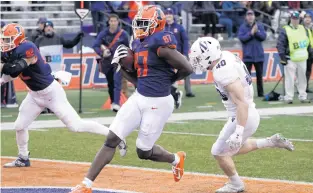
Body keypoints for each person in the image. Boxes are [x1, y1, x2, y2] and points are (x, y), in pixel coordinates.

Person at [69, 5, 193, 193]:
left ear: (156, 25)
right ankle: (86, 185)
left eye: (144, 24)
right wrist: (123, 68)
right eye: (138, 23)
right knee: (111, 138)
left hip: (158, 103)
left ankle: (176, 159)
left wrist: (169, 80)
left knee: (143, 152)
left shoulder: (160, 44)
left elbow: (187, 68)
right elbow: (139, 80)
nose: (139, 27)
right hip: (140, 96)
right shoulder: (137, 43)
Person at [0, 23, 127, 168]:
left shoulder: (27, 48)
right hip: (34, 95)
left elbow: (15, 70)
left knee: (76, 126)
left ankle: (116, 137)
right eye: (3, 39)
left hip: (51, 93)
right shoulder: (9, 51)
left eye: (7, 39)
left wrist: (2, 68)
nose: (4, 43)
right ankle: (23, 158)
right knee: (19, 125)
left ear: (18, 39)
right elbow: (9, 74)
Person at [189, 37, 294, 193]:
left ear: (209, 55)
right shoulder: (224, 56)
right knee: (232, 149)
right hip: (248, 112)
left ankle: (236, 184)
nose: (196, 61)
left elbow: (241, 103)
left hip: (242, 114)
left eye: (198, 58)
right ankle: (271, 142)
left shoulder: (222, 70)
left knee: (218, 152)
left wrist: (238, 131)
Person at [35, 20, 84, 114]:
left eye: (50, 27)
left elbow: (69, 44)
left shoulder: (59, 38)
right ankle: (43, 107)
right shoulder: (39, 40)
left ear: (53, 28)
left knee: (55, 90)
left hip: (56, 70)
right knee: (43, 90)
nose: (48, 28)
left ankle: (53, 107)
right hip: (44, 70)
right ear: (44, 29)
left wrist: (78, 37)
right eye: (46, 27)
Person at [93, 14, 129, 112]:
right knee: (110, 83)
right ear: (108, 22)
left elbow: (129, 47)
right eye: (111, 21)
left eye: (115, 21)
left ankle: (116, 104)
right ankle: (113, 102)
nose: (113, 23)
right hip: (107, 61)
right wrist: (102, 52)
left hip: (118, 61)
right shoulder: (103, 33)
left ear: (118, 22)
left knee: (117, 82)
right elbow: (95, 45)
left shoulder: (123, 34)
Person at [277, 11, 313, 104]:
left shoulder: (304, 29)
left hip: (302, 58)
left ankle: (303, 96)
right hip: (290, 59)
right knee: (289, 79)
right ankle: (289, 97)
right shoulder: (285, 29)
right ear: (290, 19)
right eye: (293, 19)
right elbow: (280, 44)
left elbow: (308, 43)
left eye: (296, 19)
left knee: (302, 79)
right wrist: (282, 56)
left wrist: (310, 53)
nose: (295, 21)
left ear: (299, 20)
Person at [238, 9, 266, 97]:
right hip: (248, 56)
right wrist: (251, 33)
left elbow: (263, 37)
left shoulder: (259, 26)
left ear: (254, 16)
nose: (250, 17)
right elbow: (242, 39)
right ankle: (247, 94)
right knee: (246, 78)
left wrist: (256, 32)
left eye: (252, 15)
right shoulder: (243, 27)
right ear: (246, 17)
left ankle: (260, 94)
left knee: (259, 76)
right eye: (248, 15)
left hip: (259, 55)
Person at [303, 13, 313, 93]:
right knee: (307, 71)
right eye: (306, 18)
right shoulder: (301, 28)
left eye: (309, 18)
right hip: (306, 52)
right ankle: (304, 88)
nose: (308, 19)